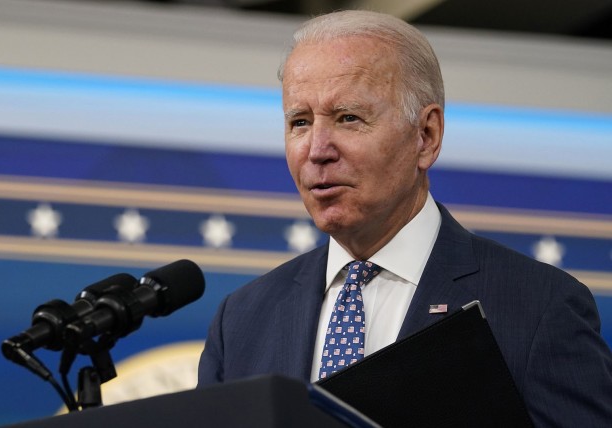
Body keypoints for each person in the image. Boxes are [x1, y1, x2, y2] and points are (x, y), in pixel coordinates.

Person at [197, 9, 612, 427]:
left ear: (426, 136)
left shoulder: (538, 308)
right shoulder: (242, 320)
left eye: (348, 118)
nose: (317, 149)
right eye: (299, 122)